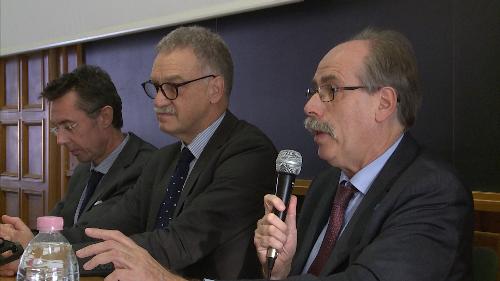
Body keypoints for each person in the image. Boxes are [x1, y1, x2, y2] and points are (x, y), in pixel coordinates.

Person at [77, 27, 473, 281]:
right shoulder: (322, 190)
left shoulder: (432, 193)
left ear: (384, 103)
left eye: (330, 90)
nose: (311, 107)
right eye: (313, 92)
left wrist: (162, 278)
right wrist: (279, 271)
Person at [69, 26, 276, 279]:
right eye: (156, 87)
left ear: (215, 89)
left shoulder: (250, 153)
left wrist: (63, 261)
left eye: (173, 87)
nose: (158, 101)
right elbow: (108, 225)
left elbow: (180, 242)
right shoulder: (163, 159)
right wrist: (41, 247)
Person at [0, 65, 156, 276]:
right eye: (57, 128)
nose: (60, 140)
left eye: (69, 126)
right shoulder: (84, 168)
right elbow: (56, 227)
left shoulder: (148, 166)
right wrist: (14, 240)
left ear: (105, 117)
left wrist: (35, 246)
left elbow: (96, 234)